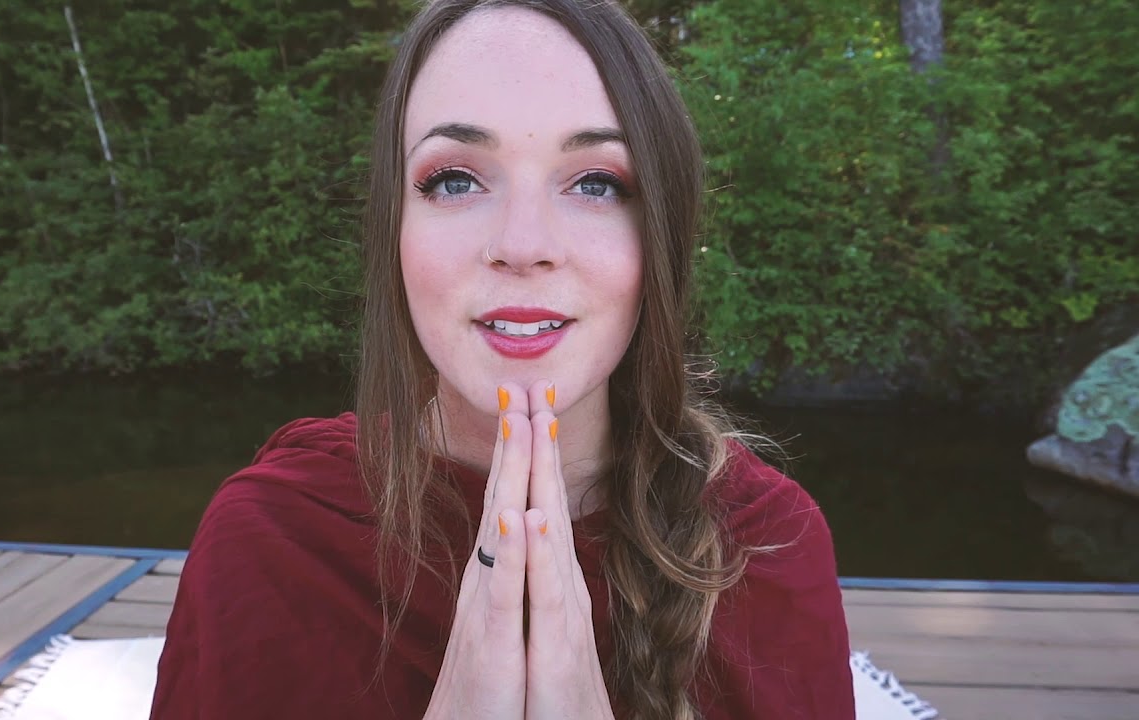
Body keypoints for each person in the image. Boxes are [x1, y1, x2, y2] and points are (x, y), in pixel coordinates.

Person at [150, 0, 855, 718]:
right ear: (393, 228)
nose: (522, 245)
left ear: (660, 237)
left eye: (596, 183)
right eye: (455, 180)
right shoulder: (271, 543)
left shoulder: (769, 552)